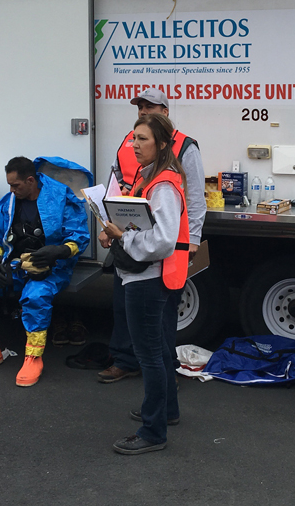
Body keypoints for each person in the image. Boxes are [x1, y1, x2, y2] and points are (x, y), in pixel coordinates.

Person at [98, 87, 206, 384]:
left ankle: (162, 375)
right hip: (128, 242)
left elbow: (196, 198)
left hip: (161, 248)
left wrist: (193, 240)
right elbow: (116, 187)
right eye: (140, 107)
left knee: (161, 317)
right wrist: (108, 226)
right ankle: (125, 359)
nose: (144, 111)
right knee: (124, 305)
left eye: (151, 107)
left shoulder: (186, 147)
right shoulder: (129, 143)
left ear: (165, 112)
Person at [103, 113, 189, 455]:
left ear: (163, 144)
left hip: (147, 279)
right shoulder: (151, 177)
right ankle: (166, 412)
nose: (134, 145)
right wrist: (118, 233)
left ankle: (153, 432)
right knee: (158, 352)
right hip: (151, 276)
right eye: (133, 138)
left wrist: (122, 238)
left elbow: (163, 240)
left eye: (143, 139)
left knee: (149, 356)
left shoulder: (163, 185)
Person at [0, 156, 90, 387]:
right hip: (14, 264)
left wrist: (58, 251)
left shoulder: (60, 198)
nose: (11, 190)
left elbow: (78, 238)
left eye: (16, 185)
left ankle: (33, 358)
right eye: (10, 185)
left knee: (35, 296)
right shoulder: (9, 202)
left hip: (53, 268)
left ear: (31, 180)